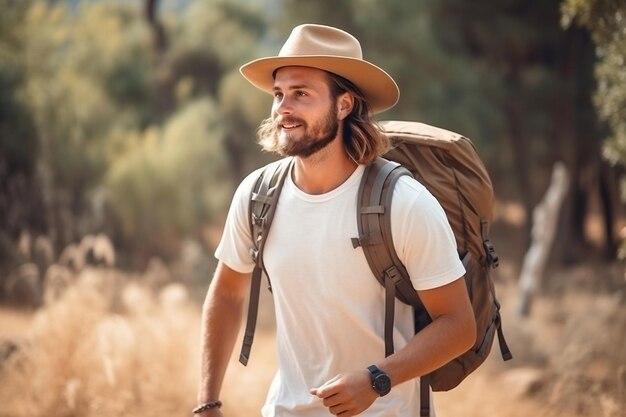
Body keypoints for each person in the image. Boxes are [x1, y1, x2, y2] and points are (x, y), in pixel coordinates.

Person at [195, 24, 476, 417]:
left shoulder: (403, 204)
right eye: (278, 94)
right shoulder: (256, 197)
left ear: (343, 105)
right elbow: (227, 292)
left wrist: (377, 379)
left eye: (301, 94)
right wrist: (207, 402)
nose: (282, 109)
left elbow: (459, 325)